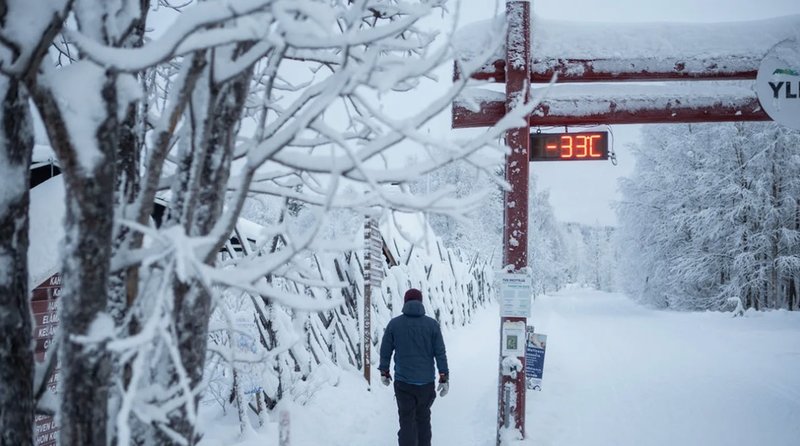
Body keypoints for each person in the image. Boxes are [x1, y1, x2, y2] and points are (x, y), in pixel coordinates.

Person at [378, 288, 449, 446]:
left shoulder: (394, 324)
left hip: (403, 383)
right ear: (421, 302)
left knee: (406, 421)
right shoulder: (432, 325)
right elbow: (440, 352)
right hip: (426, 383)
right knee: (423, 420)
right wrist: (444, 376)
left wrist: (384, 371)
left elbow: (385, 349)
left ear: (405, 302)